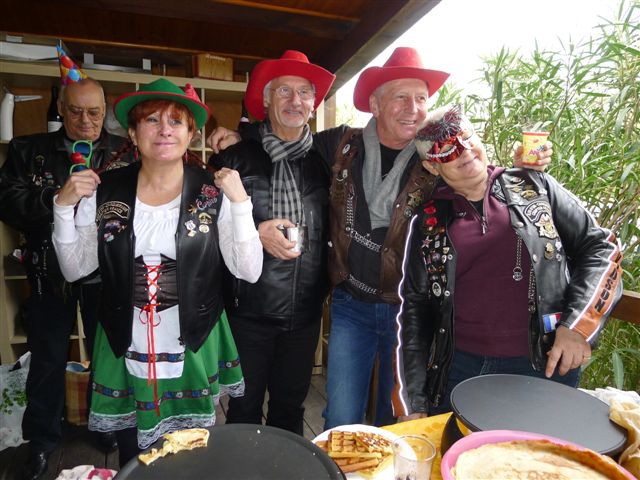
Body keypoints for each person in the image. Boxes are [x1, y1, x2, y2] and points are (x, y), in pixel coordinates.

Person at [208, 47, 552, 431]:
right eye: (401, 97)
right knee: (340, 416)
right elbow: (284, 136)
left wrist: (518, 169)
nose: (413, 109)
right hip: (350, 303)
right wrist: (241, 135)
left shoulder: (434, 157)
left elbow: (473, 173)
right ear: (375, 104)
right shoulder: (339, 145)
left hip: (409, 311)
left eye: (420, 98)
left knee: (396, 418)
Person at [51, 78, 263, 466]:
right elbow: (76, 268)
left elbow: (248, 271)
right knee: (135, 456)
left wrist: (241, 204)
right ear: (133, 133)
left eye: (176, 121)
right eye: (152, 120)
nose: (164, 129)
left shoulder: (214, 191)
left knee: (193, 456)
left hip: (192, 340)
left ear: (190, 134)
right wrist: (63, 209)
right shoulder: (104, 189)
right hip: (125, 339)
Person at [394, 104, 623, 419]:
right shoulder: (427, 221)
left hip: (544, 362)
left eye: (467, 137)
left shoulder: (535, 187)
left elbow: (601, 248)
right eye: (446, 150)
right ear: (432, 167)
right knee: (460, 450)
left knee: (540, 450)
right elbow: (415, 310)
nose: (464, 151)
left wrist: (578, 327)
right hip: (459, 368)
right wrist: (413, 401)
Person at [0, 76, 131, 479]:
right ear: (60, 107)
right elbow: (6, 201)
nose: (86, 121)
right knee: (48, 358)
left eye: (95, 112)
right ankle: (41, 440)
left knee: (108, 357)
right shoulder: (28, 150)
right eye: (76, 111)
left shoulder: (125, 151)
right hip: (47, 272)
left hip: (106, 275)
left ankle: (105, 424)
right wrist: (55, 199)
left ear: (105, 111)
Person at [211, 50, 335, 435]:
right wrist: (255, 228)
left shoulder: (327, 161)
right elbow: (205, 228)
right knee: (243, 410)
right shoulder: (234, 157)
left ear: (314, 104)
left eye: (304, 92)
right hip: (248, 311)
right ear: (265, 100)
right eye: (284, 91)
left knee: (290, 409)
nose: (295, 100)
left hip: (305, 313)